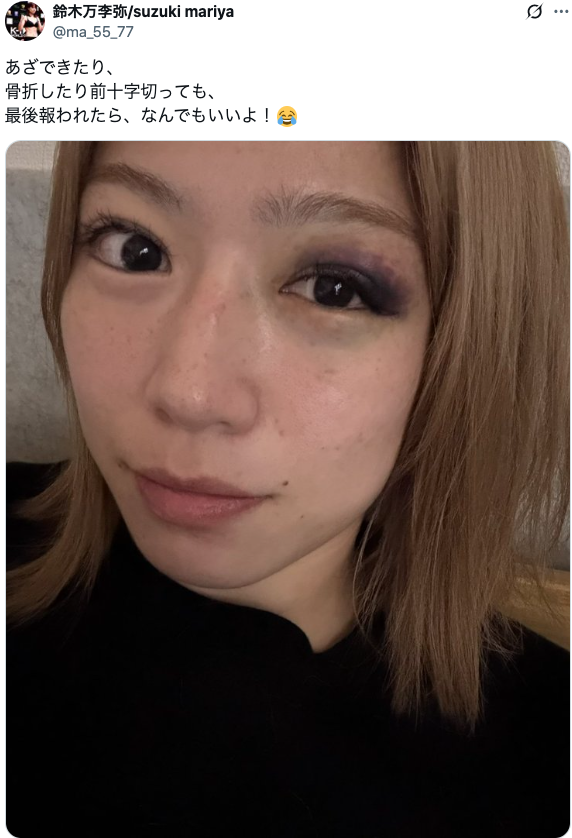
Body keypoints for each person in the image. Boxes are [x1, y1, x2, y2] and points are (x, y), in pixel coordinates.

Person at [6, 141, 570, 837]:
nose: (188, 393)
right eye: (134, 249)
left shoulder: (546, 758)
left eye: (334, 288)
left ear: (464, 344)